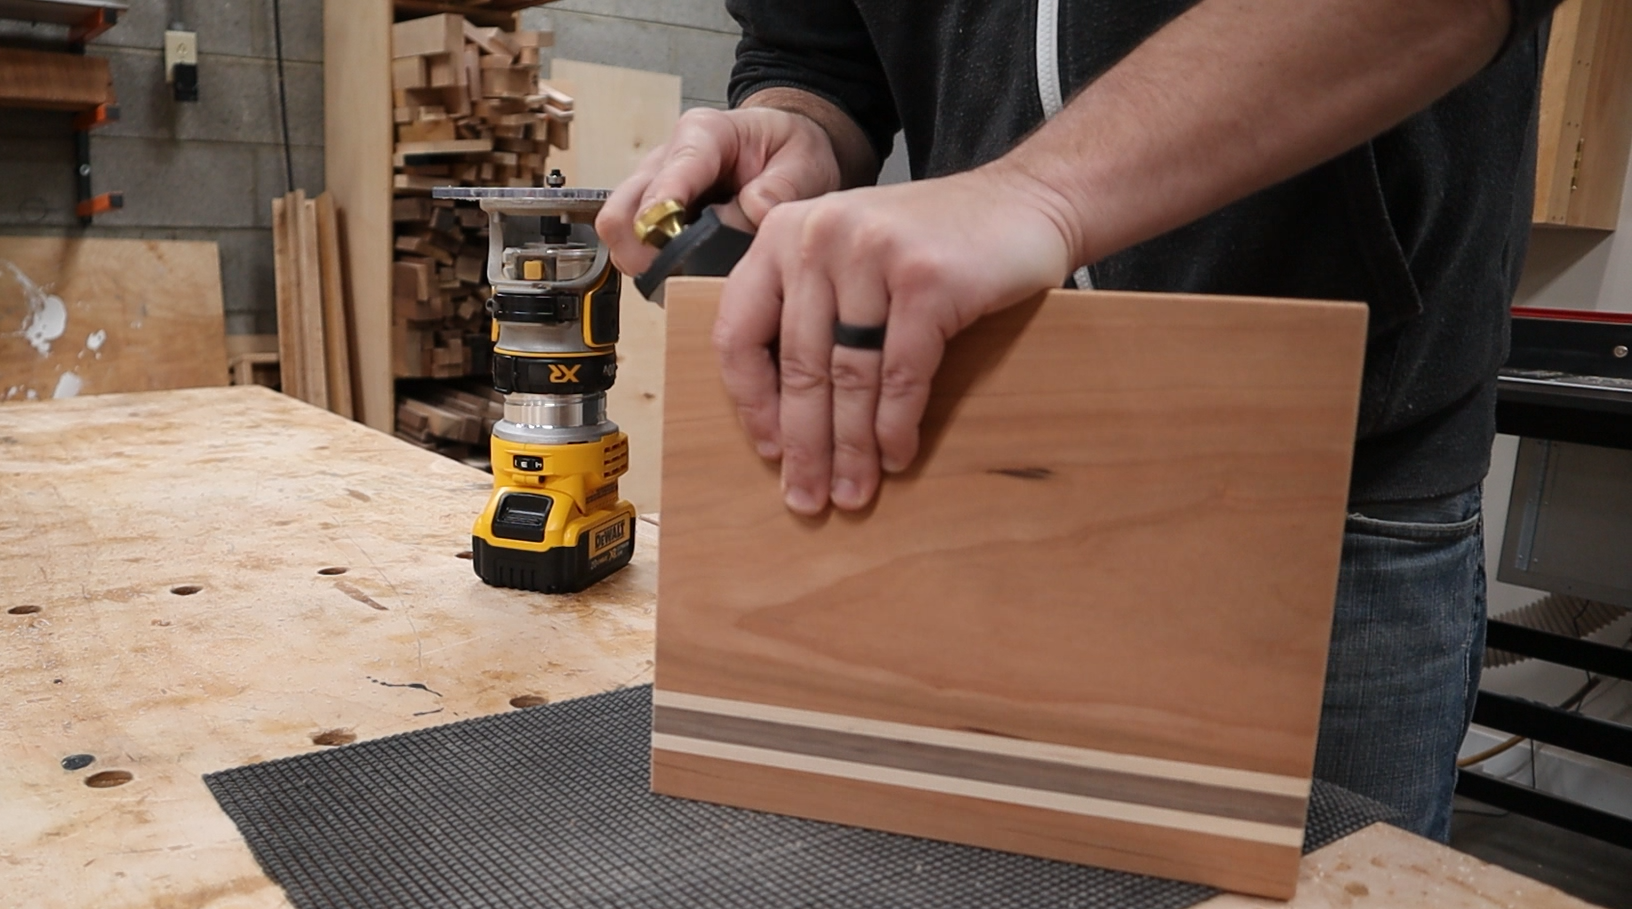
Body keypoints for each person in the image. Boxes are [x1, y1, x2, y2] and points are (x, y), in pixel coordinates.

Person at [596, 0, 1562, 842]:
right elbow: (816, 47)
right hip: (980, 458)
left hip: (1325, 483)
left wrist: (1040, 193)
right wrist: (793, 124)